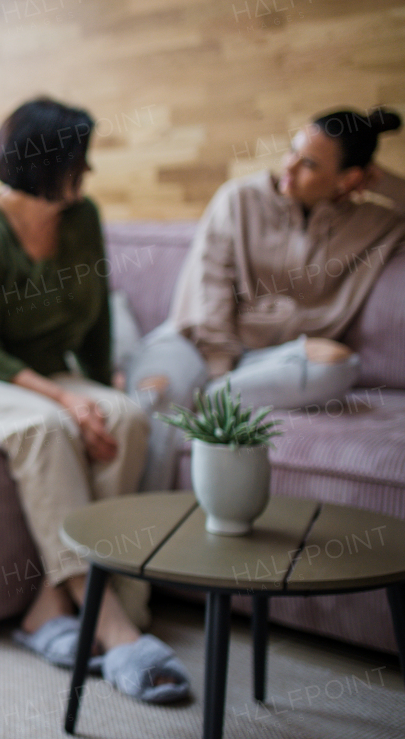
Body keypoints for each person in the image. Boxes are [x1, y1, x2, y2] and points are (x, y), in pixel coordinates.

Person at [0, 97, 190, 704]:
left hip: (43, 373)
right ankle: (113, 626)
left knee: (129, 419)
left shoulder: (82, 218)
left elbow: (94, 323)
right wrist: (65, 400)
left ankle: (52, 605)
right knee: (47, 428)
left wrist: (100, 390)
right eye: (77, 160)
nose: (86, 173)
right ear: (45, 163)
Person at [128, 107, 405, 491]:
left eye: (308, 163)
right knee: (159, 394)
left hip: (272, 361)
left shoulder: (372, 224)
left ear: (350, 178)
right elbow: (210, 291)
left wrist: (382, 182)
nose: (288, 167)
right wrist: (219, 368)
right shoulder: (239, 199)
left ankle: (203, 398)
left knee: (338, 366)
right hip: (194, 344)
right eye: (292, 150)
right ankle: (150, 526)